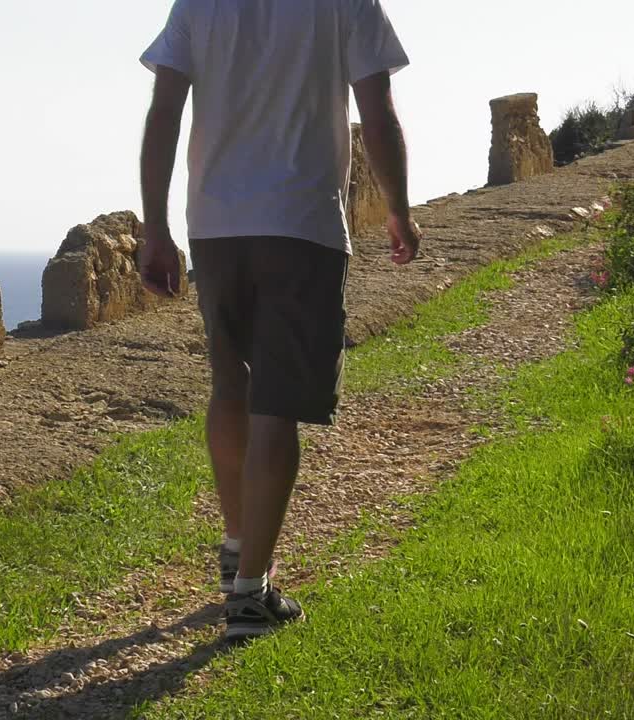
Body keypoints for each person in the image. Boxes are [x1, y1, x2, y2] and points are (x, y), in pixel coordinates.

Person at [137, 0, 421, 640]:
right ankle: (250, 596)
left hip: (216, 225)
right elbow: (377, 112)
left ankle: (240, 548)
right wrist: (399, 208)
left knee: (230, 388)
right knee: (277, 406)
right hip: (301, 222)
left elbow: (165, 112)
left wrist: (155, 226)